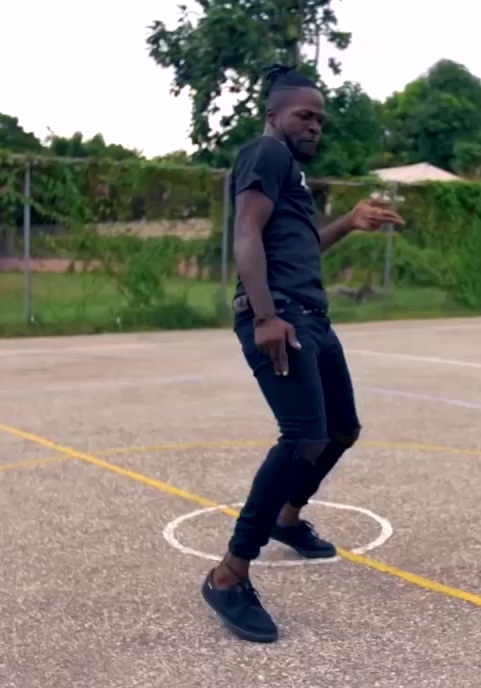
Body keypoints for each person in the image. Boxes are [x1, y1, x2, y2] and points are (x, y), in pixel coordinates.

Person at [201, 64, 405, 643]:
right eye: (304, 115)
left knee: (340, 429)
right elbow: (246, 233)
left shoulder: (290, 173)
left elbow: (300, 244)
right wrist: (265, 315)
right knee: (301, 437)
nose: (315, 125)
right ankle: (228, 575)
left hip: (312, 318)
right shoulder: (265, 153)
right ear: (274, 115)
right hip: (281, 317)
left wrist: (350, 222)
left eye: (320, 119)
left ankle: (288, 519)